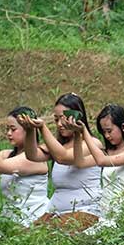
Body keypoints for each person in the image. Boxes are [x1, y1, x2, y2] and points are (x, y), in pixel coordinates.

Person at [24, 93, 103, 228]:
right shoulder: (59, 146)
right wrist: (30, 130)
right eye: (56, 120)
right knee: (25, 237)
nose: (60, 124)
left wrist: (43, 128)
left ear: (77, 117)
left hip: (85, 212)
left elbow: (63, 157)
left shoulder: (93, 144)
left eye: (64, 119)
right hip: (55, 213)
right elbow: (33, 155)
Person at [0, 106, 50, 225]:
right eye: (7, 129)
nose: (8, 133)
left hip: (33, 222)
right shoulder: (8, 155)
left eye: (13, 129)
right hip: (10, 222)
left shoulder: (35, 158)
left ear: (27, 128)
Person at [83, 103, 124, 221]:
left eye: (109, 131)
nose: (106, 136)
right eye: (103, 132)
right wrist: (77, 135)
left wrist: (84, 132)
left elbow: (101, 161)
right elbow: (80, 162)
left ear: (123, 127)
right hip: (106, 214)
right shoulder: (107, 152)